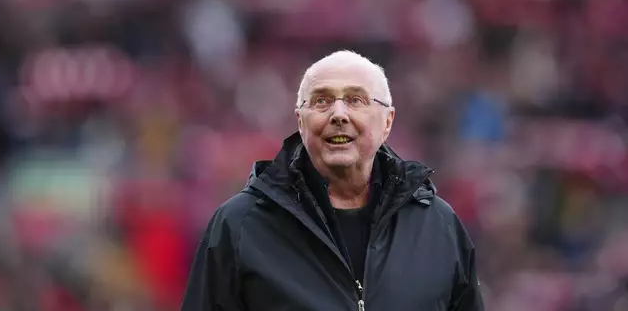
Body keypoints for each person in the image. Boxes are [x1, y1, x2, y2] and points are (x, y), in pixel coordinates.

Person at [181, 50, 484, 311]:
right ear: (300, 122)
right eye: (322, 101)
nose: (339, 114)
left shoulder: (438, 225)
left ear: (387, 121)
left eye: (355, 100)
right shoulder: (239, 225)